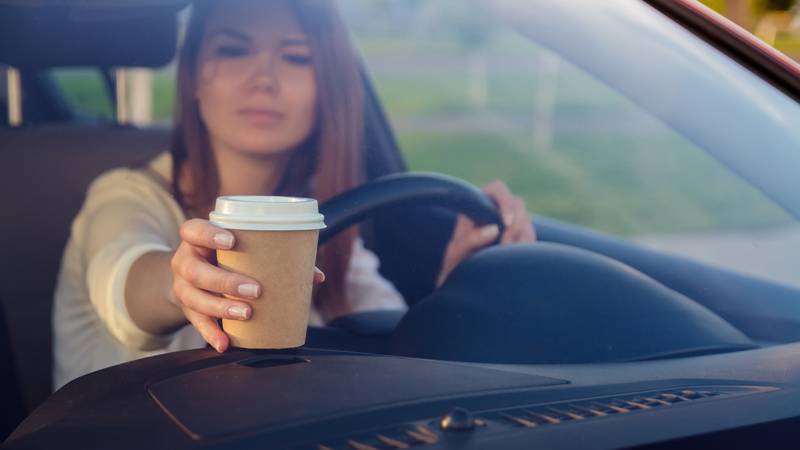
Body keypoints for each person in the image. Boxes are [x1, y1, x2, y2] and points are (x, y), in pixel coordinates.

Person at [52, 0, 535, 390]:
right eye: (234, 50)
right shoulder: (126, 197)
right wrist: (180, 281)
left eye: (297, 56)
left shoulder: (314, 225)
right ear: (195, 75)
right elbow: (122, 276)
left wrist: (454, 286)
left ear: (328, 89)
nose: (264, 78)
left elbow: (393, 345)